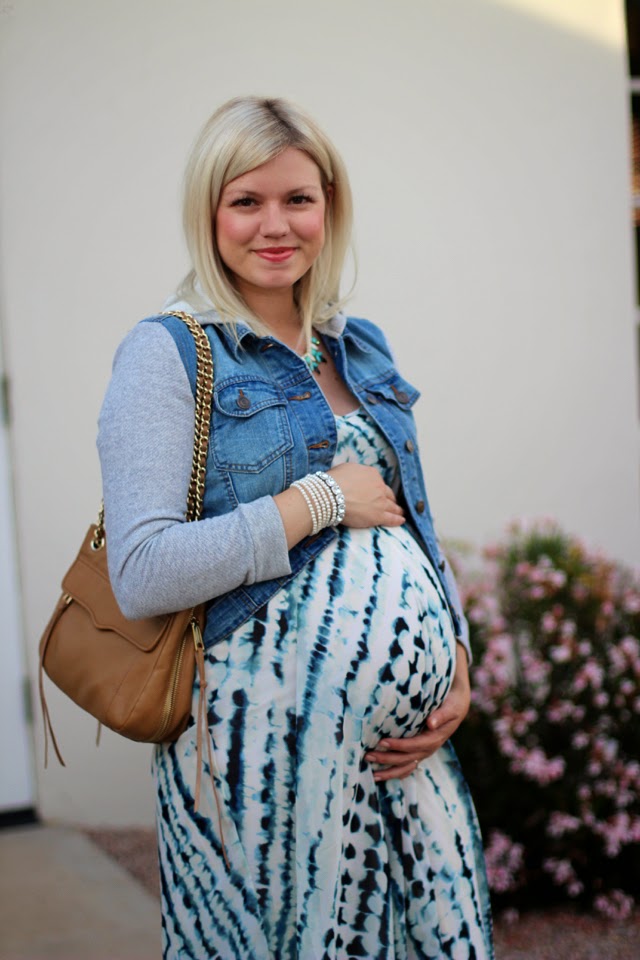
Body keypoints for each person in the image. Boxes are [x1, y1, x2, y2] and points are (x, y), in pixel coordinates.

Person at [98, 96, 494, 960]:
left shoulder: (360, 344)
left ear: (329, 207)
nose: (275, 226)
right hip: (264, 764)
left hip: (405, 760)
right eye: (246, 201)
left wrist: (456, 657)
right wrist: (319, 501)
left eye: (298, 199)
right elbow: (142, 570)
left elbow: (415, 518)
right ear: (208, 212)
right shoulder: (168, 354)